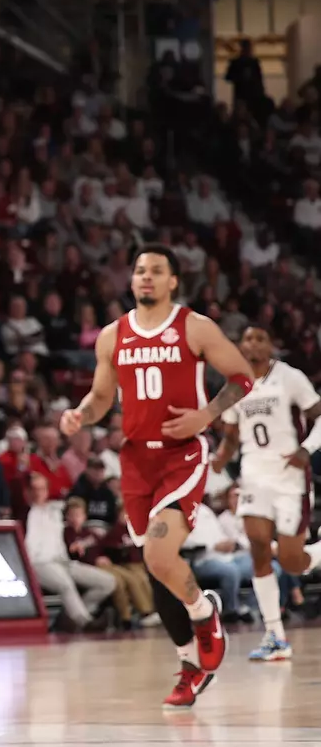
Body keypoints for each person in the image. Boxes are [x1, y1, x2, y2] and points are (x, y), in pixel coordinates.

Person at [60, 243, 254, 708]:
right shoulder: (113, 335)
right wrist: (80, 416)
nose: (146, 277)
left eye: (156, 271)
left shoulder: (194, 327)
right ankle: (190, 663)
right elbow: (101, 398)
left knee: (158, 551)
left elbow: (243, 376)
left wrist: (205, 416)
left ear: (172, 281)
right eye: (140, 270)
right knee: (157, 566)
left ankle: (205, 613)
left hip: (181, 454)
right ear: (131, 280)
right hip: (135, 461)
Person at [213, 324, 321, 661]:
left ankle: (317, 553)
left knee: (290, 561)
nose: (253, 343)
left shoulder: (290, 377)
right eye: (247, 338)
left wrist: (307, 449)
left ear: (271, 345)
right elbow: (231, 435)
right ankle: (275, 635)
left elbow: (319, 416)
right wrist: (218, 461)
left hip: (291, 476)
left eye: (260, 338)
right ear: (240, 346)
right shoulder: (235, 385)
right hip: (254, 475)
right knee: (258, 546)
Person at [25, 473, 117, 630]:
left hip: (62, 560)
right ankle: (85, 622)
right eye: (35, 489)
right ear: (27, 491)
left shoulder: (55, 510)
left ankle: (69, 617)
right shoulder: (25, 512)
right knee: (65, 585)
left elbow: (76, 504)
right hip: (38, 563)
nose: (38, 493)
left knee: (108, 582)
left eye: (42, 488)